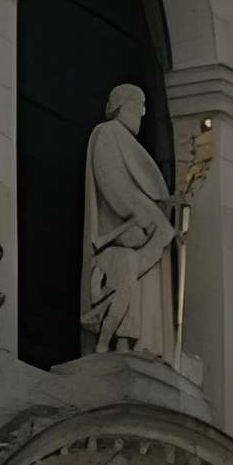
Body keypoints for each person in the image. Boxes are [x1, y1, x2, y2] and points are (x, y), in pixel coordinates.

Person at [80, 83, 183, 360]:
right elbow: (112, 183)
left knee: (158, 246)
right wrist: (140, 214)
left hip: (139, 235)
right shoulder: (108, 133)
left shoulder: (123, 139)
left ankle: (142, 342)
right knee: (127, 280)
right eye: (138, 107)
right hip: (122, 236)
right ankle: (111, 337)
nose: (143, 113)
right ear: (122, 106)